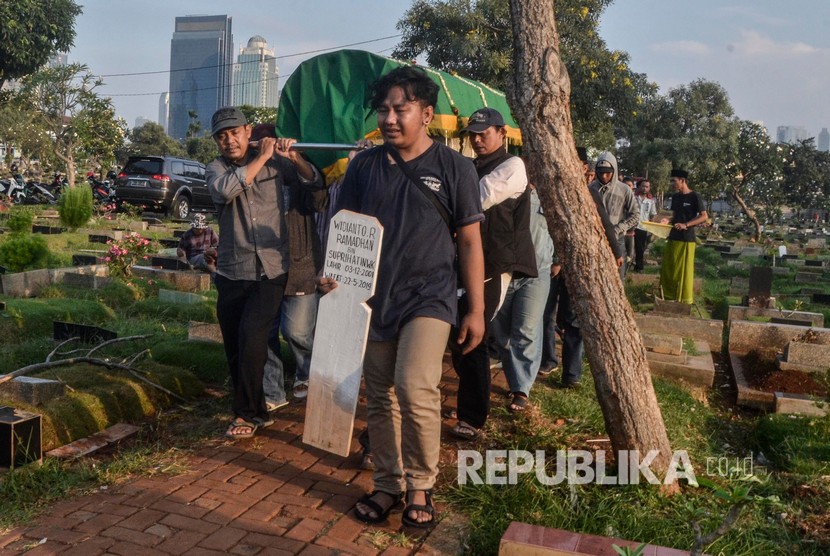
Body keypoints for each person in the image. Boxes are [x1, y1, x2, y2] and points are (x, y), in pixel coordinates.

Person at [323, 66, 484, 528]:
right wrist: (330, 274)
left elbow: (470, 241)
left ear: (427, 114)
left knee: (415, 385)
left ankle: (421, 486)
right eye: (384, 109)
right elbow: (344, 229)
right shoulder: (364, 166)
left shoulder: (455, 168)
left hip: (429, 297)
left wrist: (474, 309)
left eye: (401, 109)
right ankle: (389, 485)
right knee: (380, 394)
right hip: (373, 296)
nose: (390, 118)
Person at [207, 106, 323, 440]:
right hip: (232, 271)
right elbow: (224, 191)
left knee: (253, 338)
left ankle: (245, 415)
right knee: (235, 347)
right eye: (222, 136)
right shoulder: (216, 168)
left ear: (248, 131)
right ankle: (257, 410)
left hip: (271, 271)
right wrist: (262, 156)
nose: (230, 141)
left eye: (235, 132)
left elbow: (314, 189)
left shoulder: (276, 162)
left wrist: (294, 156)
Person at [449, 107, 536, 438]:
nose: (477, 139)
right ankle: (469, 402)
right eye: (473, 133)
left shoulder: (513, 166)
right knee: (459, 336)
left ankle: (472, 417)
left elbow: (478, 197)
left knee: (473, 334)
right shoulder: (469, 165)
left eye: (484, 133)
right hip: (466, 263)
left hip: (496, 263)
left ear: (502, 133)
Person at [249, 123, 328, 408]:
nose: (264, 150)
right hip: (261, 267)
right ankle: (272, 393)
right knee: (264, 331)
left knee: (297, 331)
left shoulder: (292, 168)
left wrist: (295, 156)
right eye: (257, 144)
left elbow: (319, 196)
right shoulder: (248, 171)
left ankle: (306, 371)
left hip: (299, 264)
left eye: (268, 144)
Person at [490, 182, 552, 411]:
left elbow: (557, 230)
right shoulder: (502, 192)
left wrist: (556, 260)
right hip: (504, 272)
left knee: (526, 329)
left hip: (536, 272)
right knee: (502, 333)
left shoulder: (548, 197)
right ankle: (514, 377)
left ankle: (521, 389)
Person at [660, 169, 708, 304]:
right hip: (673, 237)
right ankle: (668, 296)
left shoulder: (694, 197)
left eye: (674, 181)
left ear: (682, 180)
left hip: (687, 239)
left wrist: (686, 224)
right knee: (670, 268)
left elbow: (704, 216)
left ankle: (683, 299)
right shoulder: (676, 197)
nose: (672, 183)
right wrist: (668, 220)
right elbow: (675, 216)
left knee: (684, 271)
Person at [590, 152, 638, 279]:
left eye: (608, 173)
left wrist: (617, 229)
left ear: (614, 171)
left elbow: (635, 215)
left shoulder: (624, 190)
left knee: (617, 278)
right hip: (595, 240)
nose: (604, 176)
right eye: (600, 172)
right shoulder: (589, 188)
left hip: (617, 240)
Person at [633, 179, 658, 272]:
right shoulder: (633, 198)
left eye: (647, 186)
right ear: (639, 187)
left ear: (649, 188)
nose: (644, 188)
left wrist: (650, 225)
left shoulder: (650, 201)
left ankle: (639, 267)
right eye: (643, 186)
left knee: (640, 249)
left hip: (642, 228)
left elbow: (653, 214)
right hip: (631, 226)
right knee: (629, 248)